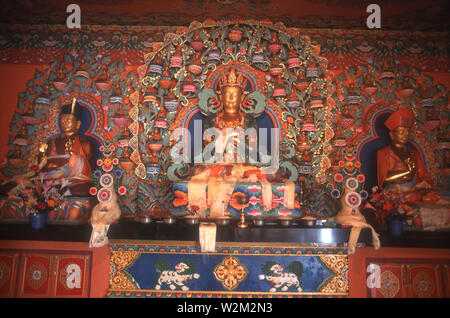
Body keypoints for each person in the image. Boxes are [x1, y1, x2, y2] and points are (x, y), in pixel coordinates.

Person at [38, 98, 95, 196]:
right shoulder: (51, 142)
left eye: (68, 120)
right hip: (50, 180)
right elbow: (41, 166)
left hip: (73, 182)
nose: (64, 122)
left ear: (78, 124)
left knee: (82, 189)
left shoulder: (84, 143)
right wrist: (42, 153)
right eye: (62, 119)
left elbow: (86, 170)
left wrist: (73, 156)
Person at [377, 108, 431, 190]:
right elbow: (384, 179)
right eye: (401, 132)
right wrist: (408, 172)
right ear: (392, 134)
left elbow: (423, 175)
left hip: (414, 190)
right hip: (393, 190)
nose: (405, 135)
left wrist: (425, 182)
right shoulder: (383, 153)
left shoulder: (414, 154)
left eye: (407, 132)